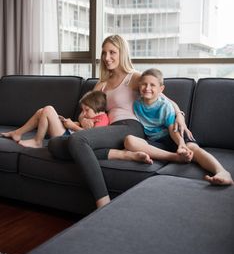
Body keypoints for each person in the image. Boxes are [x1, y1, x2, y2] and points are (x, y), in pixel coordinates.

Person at [48, 35, 193, 208]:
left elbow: (166, 101)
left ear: (122, 53)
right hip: (108, 130)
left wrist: (180, 115)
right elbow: (84, 112)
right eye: (104, 53)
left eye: (112, 52)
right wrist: (83, 119)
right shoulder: (100, 86)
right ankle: (124, 155)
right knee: (54, 144)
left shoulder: (134, 78)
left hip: (130, 127)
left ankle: (103, 203)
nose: (106, 57)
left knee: (77, 140)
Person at [122, 68, 234, 186]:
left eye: (152, 85)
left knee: (193, 150)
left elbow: (172, 129)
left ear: (161, 89)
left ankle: (222, 171)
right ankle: (176, 157)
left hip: (175, 133)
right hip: (157, 141)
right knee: (129, 141)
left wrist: (181, 143)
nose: (147, 88)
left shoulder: (165, 105)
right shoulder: (136, 104)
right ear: (139, 86)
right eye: (144, 84)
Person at [1, 91, 109, 148]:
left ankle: (37, 141)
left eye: (87, 110)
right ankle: (17, 133)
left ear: (98, 107)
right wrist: (69, 123)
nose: (84, 113)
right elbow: (83, 128)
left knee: (48, 109)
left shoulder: (102, 119)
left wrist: (73, 126)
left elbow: (91, 137)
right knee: (41, 112)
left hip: (69, 140)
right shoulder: (92, 116)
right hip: (68, 133)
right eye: (83, 110)